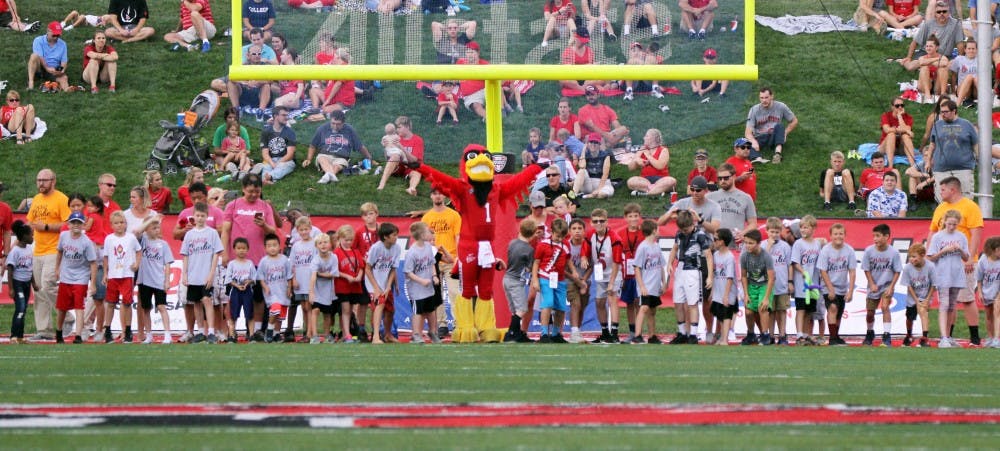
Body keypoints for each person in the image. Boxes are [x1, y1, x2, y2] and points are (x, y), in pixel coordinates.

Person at [221, 174, 279, 341]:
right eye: (250, 191)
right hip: (236, 261)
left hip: (259, 259)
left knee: (258, 297)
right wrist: (225, 253)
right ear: (243, 189)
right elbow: (225, 230)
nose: (254, 194)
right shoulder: (233, 205)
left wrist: (264, 225)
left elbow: (273, 231)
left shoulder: (265, 207)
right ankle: (231, 331)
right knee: (233, 298)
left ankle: (256, 330)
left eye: (257, 191)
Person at [928, 177, 983, 337]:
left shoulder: (970, 207)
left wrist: (970, 259)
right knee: (948, 301)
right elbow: (933, 231)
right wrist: (929, 255)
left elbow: (976, 234)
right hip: (943, 264)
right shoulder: (940, 208)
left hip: (962, 262)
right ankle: (948, 336)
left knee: (966, 298)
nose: (940, 192)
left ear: (953, 190)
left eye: (943, 189)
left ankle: (975, 337)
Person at [26, 169, 71, 342]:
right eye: (38, 180)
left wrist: (46, 227)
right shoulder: (36, 199)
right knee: (38, 289)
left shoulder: (61, 199)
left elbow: (68, 224)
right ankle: (44, 329)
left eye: (44, 180)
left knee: (48, 284)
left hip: (55, 249)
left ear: (53, 181)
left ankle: (67, 318)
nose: (40, 184)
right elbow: (31, 222)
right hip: (37, 250)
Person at [668, 210, 713, 344]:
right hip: (680, 268)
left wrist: (710, 276)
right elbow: (675, 248)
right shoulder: (679, 234)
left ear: (692, 223)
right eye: (681, 229)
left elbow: (709, 256)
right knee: (678, 302)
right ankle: (682, 332)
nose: (684, 231)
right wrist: (670, 263)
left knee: (692, 303)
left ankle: (693, 334)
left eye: (686, 229)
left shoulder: (700, 235)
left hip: (693, 270)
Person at [181, 202, 224, 344]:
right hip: (193, 275)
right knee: (196, 303)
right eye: (197, 215)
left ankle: (211, 331)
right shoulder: (189, 235)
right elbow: (185, 255)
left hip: (206, 275)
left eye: (202, 216)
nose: (200, 218)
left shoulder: (212, 233)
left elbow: (216, 255)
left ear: (207, 216)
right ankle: (200, 331)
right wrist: (185, 274)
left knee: (207, 300)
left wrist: (211, 274)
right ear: (193, 216)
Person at [420, 188, 461, 338]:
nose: (438, 196)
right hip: (434, 259)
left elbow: (458, 236)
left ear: (444, 195)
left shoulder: (454, 215)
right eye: (435, 193)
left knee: (454, 292)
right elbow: (423, 240)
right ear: (431, 196)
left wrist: (457, 257)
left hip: (451, 258)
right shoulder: (426, 217)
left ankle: (458, 323)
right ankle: (442, 324)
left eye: (440, 193)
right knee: (437, 295)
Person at [928, 209, 971, 347]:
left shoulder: (962, 237)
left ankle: (948, 335)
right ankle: (943, 337)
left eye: (954, 224)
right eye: (950, 224)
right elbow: (931, 257)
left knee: (952, 306)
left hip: (956, 274)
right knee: (944, 304)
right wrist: (944, 251)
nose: (952, 227)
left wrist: (960, 249)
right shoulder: (938, 237)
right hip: (942, 274)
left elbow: (966, 257)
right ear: (945, 221)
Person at [55, 211, 98, 344]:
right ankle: (58, 332)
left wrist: (93, 283)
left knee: (79, 306)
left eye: (79, 223)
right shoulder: (63, 236)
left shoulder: (86, 242)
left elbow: (93, 263)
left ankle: (78, 335)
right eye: (73, 222)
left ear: (83, 225)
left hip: (81, 277)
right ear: (68, 224)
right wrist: (57, 268)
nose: (76, 225)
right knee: (62, 307)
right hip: (66, 276)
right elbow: (60, 252)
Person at [531, 218, 575, 343]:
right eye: (557, 236)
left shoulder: (566, 244)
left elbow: (568, 259)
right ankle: (544, 334)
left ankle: (556, 334)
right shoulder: (543, 244)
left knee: (561, 307)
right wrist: (535, 279)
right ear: (552, 232)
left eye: (562, 236)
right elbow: (536, 262)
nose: (560, 239)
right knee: (548, 303)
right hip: (545, 276)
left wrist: (574, 271)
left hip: (559, 279)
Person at [303, 110, 374, 185]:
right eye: (333, 123)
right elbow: (313, 145)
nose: (335, 126)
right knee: (322, 158)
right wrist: (309, 159)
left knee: (337, 166)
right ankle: (332, 176)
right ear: (330, 120)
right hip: (325, 154)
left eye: (338, 124)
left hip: (342, 157)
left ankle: (327, 176)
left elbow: (360, 146)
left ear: (343, 123)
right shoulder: (322, 129)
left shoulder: (349, 130)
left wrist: (369, 157)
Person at [101, 210, 141, 343]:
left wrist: (136, 263)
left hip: (127, 275)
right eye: (116, 223)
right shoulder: (109, 239)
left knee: (127, 302)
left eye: (122, 222)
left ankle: (128, 330)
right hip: (113, 275)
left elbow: (139, 251)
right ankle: (107, 330)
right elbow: (106, 257)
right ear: (112, 225)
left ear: (126, 224)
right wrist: (106, 273)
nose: (119, 225)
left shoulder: (131, 238)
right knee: (111, 303)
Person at [860, 223, 902, 347]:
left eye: (878, 236)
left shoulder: (894, 253)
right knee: (870, 313)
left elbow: (897, 271)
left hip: (886, 286)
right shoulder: (869, 251)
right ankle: (869, 332)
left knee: (885, 307)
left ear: (886, 236)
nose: (875, 239)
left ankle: (886, 335)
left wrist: (891, 287)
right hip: (873, 287)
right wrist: (871, 283)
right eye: (874, 236)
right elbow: (866, 269)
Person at [926, 99, 977, 201]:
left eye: (946, 112)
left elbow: (975, 145)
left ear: (954, 111)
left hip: (963, 169)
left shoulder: (967, 125)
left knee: (965, 199)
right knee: (942, 199)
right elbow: (932, 144)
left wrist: (980, 159)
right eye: (942, 112)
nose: (943, 114)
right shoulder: (937, 125)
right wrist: (928, 161)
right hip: (941, 170)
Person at [404, 222, 445, 344]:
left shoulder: (428, 247)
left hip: (429, 288)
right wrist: (421, 281)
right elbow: (408, 272)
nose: (430, 234)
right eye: (428, 232)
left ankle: (433, 332)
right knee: (418, 312)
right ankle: (416, 334)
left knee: (431, 311)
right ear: (422, 235)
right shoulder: (412, 252)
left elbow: (432, 262)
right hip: (417, 290)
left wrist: (434, 276)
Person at [629, 219, 668, 344]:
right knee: (644, 308)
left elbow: (661, 266)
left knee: (652, 311)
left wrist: (664, 282)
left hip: (655, 286)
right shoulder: (643, 247)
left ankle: (652, 336)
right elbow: (637, 268)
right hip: (646, 285)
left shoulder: (656, 246)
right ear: (653, 231)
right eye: (658, 229)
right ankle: (638, 334)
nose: (659, 231)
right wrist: (642, 287)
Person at [135, 218, 174, 344]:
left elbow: (167, 263)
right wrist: (150, 219)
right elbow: (136, 231)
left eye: (158, 228)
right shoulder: (142, 241)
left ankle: (167, 334)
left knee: (162, 306)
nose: (156, 230)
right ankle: (149, 334)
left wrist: (167, 281)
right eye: (153, 228)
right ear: (146, 229)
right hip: (144, 280)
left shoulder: (163, 244)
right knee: (146, 308)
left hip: (158, 280)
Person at [817, 223, 856, 346]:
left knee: (838, 312)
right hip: (828, 286)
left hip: (842, 287)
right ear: (830, 235)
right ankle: (833, 338)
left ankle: (836, 336)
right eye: (835, 234)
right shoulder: (826, 250)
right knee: (832, 308)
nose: (838, 236)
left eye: (841, 234)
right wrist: (830, 289)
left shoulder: (849, 250)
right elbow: (823, 271)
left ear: (845, 235)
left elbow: (852, 271)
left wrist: (850, 291)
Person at [900, 1, 963, 73]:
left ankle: (927, 65)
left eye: (944, 11)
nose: (941, 14)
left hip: (945, 56)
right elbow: (915, 42)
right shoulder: (928, 24)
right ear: (935, 14)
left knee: (951, 66)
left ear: (949, 13)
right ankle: (903, 61)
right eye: (939, 12)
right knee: (910, 67)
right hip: (926, 53)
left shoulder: (956, 25)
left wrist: (961, 59)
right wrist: (909, 57)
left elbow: (960, 44)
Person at [502, 218, 538, 343]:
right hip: (516, 281)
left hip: (506, 278)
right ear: (534, 233)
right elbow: (529, 268)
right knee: (522, 310)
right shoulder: (529, 250)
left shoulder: (512, 243)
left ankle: (518, 334)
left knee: (515, 310)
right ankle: (511, 334)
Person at [366, 223, 401, 344]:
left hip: (385, 283)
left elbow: (393, 269)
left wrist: (388, 287)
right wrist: (376, 288)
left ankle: (387, 334)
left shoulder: (397, 248)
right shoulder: (376, 248)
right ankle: (375, 336)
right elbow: (368, 269)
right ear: (385, 237)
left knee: (390, 310)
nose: (396, 237)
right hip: (373, 283)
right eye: (394, 235)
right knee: (379, 305)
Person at [791, 215, 824, 346]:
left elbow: (820, 261)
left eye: (806, 227)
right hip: (802, 282)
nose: (803, 230)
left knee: (810, 310)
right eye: (801, 228)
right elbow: (795, 262)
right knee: (801, 309)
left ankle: (806, 334)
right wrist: (803, 272)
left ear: (813, 228)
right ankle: (799, 335)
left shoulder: (817, 244)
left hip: (814, 281)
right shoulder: (798, 243)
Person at [744, 87, 798, 164]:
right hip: (760, 136)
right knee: (744, 143)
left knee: (780, 126)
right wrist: (753, 141)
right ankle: (757, 158)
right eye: (761, 98)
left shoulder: (781, 106)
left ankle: (777, 154)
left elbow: (794, 121)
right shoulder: (754, 110)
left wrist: (784, 133)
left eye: (766, 97)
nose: (764, 100)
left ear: (772, 96)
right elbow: (747, 132)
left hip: (774, 136)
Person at [740, 229, 774, 346]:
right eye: (746, 242)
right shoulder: (744, 256)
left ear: (759, 243)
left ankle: (765, 335)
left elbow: (771, 278)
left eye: (751, 243)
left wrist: (766, 298)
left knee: (762, 308)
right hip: (751, 285)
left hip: (764, 285)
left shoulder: (766, 256)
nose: (748, 246)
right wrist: (746, 294)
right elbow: (743, 276)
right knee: (749, 312)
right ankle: (751, 334)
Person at [286, 217, 317, 342]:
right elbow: (292, 264)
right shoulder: (296, 246)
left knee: (309, 307)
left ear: (310, 229)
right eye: (301, 230)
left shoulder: (314, 244)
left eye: (306, 229)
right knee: (304, 307)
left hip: (310, 281)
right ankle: (307, 331)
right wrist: (293, 280)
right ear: (297, 231)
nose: (304, 232)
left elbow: (316, 263)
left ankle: (309, 333)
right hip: (299, 281)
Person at [707, 164, 755, 245]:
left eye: (726, 178)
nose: (722, 181)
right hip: (715, 246)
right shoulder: (709, 197)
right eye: (720, 178)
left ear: (734, 177)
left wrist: (743, 233)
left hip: (736, 246)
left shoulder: (746, 197)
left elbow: (753, 223)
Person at [257, 233, 292, 342]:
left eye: (274, 245)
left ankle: (276, 334)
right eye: (269, 245)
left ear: (279, 246)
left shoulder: (285, 260)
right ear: (265, 248)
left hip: (283, 291)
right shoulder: (264, 261)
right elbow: (260, 277)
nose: (272, 248)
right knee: (275, 309)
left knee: (281, 316)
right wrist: (265, 287)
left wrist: (289, 289)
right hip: (272, 293)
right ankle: (269, 330)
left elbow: (289, 276)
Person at [763, 217, 792, 345]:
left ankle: (782, 335)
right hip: (768, 285)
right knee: (770, 311)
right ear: (767, 231)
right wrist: (769, 246)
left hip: (782, 284)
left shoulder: (785, 246)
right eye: (772, 232)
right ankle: (770, 335)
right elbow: (761, 262)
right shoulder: (763, 245)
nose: (774, 235)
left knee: (782, 310)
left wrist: (790, 281)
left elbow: (789, 265)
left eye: (776, 232)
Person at [334, 225, 364, 342]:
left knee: (352, 310)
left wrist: (359, 277)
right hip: (343, 286)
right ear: (340, 238)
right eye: (346, 240)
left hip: (355, 286)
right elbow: (335, 270)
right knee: (345, 310)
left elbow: (361, 266)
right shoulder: (336, 252)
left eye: (350, 240)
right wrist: (346, 276)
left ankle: (349, 332)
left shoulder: (355, 251)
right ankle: (347, 334)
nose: (348, 242)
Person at [900, 243, 935, 347]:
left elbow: (934, 284)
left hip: (925, 296)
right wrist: (916, 301)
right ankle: (909, 335)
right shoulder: (907, 268)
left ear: (922, 255)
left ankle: (924, 337)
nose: (911, 259)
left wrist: (927, 300)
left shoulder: (930, 266)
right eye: (910, 256)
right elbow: (909, 286)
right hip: (912, 298)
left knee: (923, 312)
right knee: (909, 317)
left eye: (914, 256)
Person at [307, 233, 340, 343]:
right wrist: (311, 292)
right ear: (316, 246)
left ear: (330, 244)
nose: (323, 245)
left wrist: (321, 274)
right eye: (320, 243)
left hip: (328, 291)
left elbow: (334, 274)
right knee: (315, 310)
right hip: (317, 290)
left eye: (325, 242)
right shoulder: (315, 260)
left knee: (327, 314)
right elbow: (313, 276)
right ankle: (315, 335)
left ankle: (326, 335)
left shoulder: (334, 257)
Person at [379, 116, 424, 196]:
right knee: (395, 156)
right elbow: (388, 159)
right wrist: (386, 148)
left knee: (417, 172)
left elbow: (414, 160)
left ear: (407, 127)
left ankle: (412, 188)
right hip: (398, 165)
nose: (397, 130)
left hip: (411, 166)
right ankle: (382, 184)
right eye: (396, 128)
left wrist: (401, 148)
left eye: (399, 127)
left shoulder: (417, 140)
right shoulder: (395, 138)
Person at [252, 106, 296, 185]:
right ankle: (268, 179)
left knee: (285, 166)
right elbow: (265, 153)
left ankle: (269, 177)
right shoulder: (266, 132)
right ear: (275, 116)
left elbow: (290, 154)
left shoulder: (290, 132)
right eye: (283, 115)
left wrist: (278, 163)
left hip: (286, 160)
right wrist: (272, 163)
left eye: (287, 115)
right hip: (270, 159)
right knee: (266, 166)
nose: (286, 118)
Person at [7, 221, 35, 344]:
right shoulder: (15, 251)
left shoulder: (29, 249)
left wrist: (34, 283)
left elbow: (30, 267)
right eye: (31, 235)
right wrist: (11, 288)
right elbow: (10, 270)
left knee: (24, 309)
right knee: (20, 308)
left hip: (27, 283)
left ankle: (20, 337)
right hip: (17, 283)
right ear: (24, 237)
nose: (33, 237)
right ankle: (13, 335)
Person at [626, 128, 676, 197]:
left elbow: (660, 166)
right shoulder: (642, 149)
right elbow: (630, 168)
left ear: (653, 138)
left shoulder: (663, 150)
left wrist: (648, 155)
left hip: (661, 179)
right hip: (645, 180)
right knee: (631, 181)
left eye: (646, 136)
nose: (644, 138)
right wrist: (636, 160)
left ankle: (646, 193)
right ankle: (657, 191)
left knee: (671, 181)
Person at [565, 219, 591, 343]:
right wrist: (576, 280)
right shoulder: (566, 245)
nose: (577, 231)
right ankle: (574, 332)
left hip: (585, 280)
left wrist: (583, 280)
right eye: (574, 229)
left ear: (584, 231)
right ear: (569, 231)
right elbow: (562, 267)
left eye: (579, 229)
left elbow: (591, 266)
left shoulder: (588, 245)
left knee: (582, 306)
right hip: (569, 279)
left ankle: (578, 330)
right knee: (576, 304)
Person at [224, 237, 255, 342]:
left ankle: (251, 335)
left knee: (249, 314)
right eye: (239, 248)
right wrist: (237, 285)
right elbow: (228, 279)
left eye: (244, 248)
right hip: (235, 291)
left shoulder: (250, 263)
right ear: (234, 249)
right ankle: (232, 335)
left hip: (247, 291)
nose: (241, 250)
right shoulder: (232, 264)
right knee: (233, 314)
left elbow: (254, 278)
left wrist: (248, 282)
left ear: (247, 249)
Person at [710, 229, 736, 346]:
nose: (713, 241)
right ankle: (721, 337)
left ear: (722, 242)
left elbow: (730, 278)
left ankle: (725, 339)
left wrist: (726, 295)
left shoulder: (729, 257)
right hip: (718, 290)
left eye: (715, 239)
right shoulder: (715, 255)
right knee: (720, 315)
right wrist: (712, 292)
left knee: (726, 315)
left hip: (727, 291)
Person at [27, 22, 69, 92]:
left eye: (58, 35)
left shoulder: (63, 44)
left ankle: (67, 90)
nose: (56, 37)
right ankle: (31, 83)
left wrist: (61, 70)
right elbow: (40, 57)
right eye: (54, 35)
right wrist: (47, 68)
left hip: (54, 69)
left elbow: (64, 62)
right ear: (48, 31)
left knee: (64, 78)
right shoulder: (38, 40)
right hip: (40, 67)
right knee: (34, 56)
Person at [573, 133, 614, 199]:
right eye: (591, 142)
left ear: (599, 144)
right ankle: (573, 194)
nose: (593, 144)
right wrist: (583, 150)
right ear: (588, 144)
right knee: (582, 171)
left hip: (603, 183)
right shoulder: (586, 155)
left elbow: (605, 174)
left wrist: (598, 189)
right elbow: (582, 166)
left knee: (602, 195)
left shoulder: (605, 155)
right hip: (589, 184)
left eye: (596, 142)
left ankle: (587, 196)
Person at [976, 237, 1000, 348]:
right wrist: (980, 292)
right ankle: (990, 337)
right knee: (989, 315)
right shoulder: (983, 260)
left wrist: (998, 295)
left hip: (998, 291)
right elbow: (979, 278)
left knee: (997, 312)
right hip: (987, 291)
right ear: (994, 250)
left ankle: (996, 339)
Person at [879, 97, 916, 167]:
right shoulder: (885, 116)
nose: (900, 107)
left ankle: (913, 166)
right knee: (891, 135)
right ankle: (890, 166)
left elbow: (907, 130)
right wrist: (900, 130)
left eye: (902, 105)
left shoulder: (908, 117)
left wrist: (899, 116)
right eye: (897, 106)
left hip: (901, 148)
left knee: (905, 136)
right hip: (885, 148)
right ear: (892, 107)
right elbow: (887, 130)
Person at [456, 42, 489, 119]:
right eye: (468, 52)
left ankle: (503, 109)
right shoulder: (460, 63)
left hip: (485, 90)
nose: (470, 54)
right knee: (476, 106)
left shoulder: (485, 64)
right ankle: (488, 118)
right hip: (471, 95)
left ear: (478, 53)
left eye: (472, 52)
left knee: (499, 89)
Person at [913, 36, 950, 103]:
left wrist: (929, 62)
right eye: (927, 46)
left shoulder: (943, 57)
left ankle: (943, 94)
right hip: (925, 85)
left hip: (937, 85)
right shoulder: (922, 57)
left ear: (937, 47)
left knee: (943, 69)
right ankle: (927, 94)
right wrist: (936, 59)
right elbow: (921, 62)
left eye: (931, 46)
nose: (928, 48)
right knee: (924, 68)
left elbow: (944, 64)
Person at [948, 38, 979, 108]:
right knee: (969, 77)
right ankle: (957, 104)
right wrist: (953, 91)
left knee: (976, 78)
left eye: (973, 49)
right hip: (962, 89)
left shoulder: (980, 60)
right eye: (969, 48)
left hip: (975, 91)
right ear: (965, 50)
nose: (971, 50)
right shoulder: (959, 59)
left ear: (976, 50)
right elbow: (953, 76)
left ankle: (984, 101)